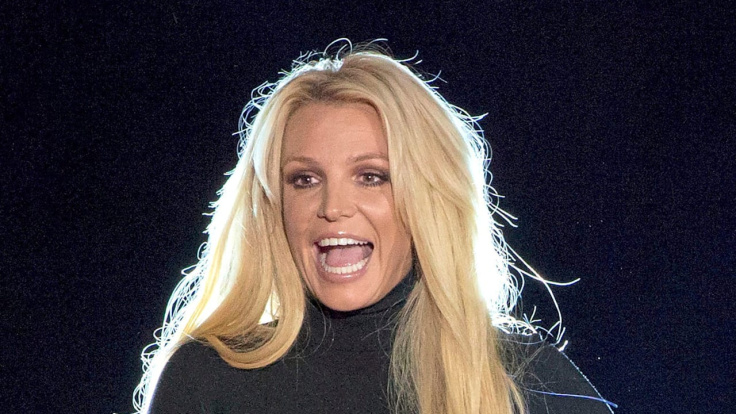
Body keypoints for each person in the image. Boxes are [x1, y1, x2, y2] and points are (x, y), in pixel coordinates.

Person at [133, 41, 615, 414]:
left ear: (427, 198)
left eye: (371, 177)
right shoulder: (206, 379)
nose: (333, 208)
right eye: (305, 180)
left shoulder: (522, 380)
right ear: (274, 204)